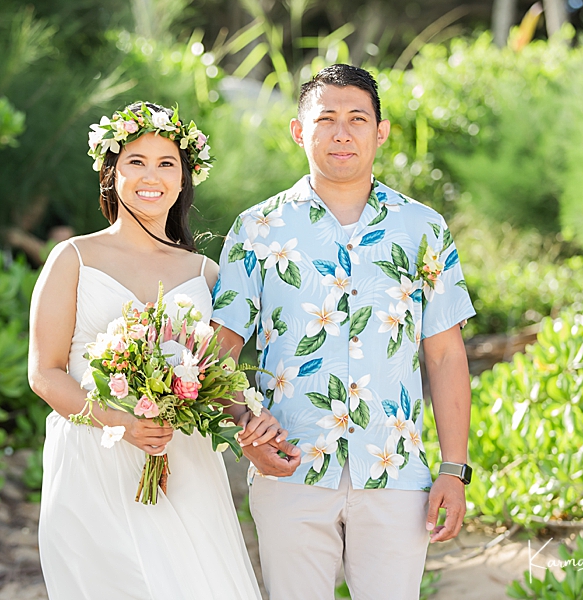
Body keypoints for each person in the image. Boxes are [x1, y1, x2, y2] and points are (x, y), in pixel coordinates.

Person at [212, 64, 477, 600]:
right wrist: (246, 431)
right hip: (289, 467)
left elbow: (446, 357)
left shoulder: (423, 228)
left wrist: (454, 468)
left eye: (357, 118)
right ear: (298, 130)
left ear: (380, 132)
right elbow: (220, 353)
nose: (341, 132)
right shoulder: (257, 229)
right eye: (326, 118)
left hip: (396, 470)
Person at [28, 101, 281, 599]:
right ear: (111, 172)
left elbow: (217, 378)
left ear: (185, 178)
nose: (152, 175)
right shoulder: (73, 257)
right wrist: (119, 422)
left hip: (179, 458)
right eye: (136, 161)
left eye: (167, 163)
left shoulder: (207, 274)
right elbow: (45, 372)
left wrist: (250, 419)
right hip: (91, 457)